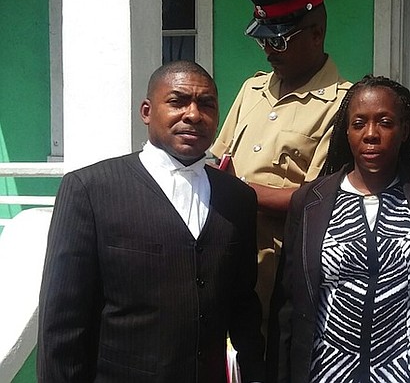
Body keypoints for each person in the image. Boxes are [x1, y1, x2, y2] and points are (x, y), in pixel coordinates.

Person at [38, 61, 265, 382]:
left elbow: (243, 303)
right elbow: (63, 321)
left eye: (206, 104)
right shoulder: (91, 190)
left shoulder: (237, 198)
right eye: (177, 101)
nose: (193, 114)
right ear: (146, 111)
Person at [267, 75, 410, 383]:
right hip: (327, 372)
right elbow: (287, 303)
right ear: (347, 131)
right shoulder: (310, 201)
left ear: (405, 129)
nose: (371, 134)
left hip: (409, 372)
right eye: (359, 124)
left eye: (385, 122)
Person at [209, 0, 351, 329]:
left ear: (316, 35)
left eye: (279, 40)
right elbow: (220, 159)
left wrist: (237, 191)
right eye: (262, 41)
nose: (270, 51)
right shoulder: (252, 88)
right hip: (225, 254)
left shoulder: (344, 104)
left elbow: (317, 199)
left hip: (282, 270)